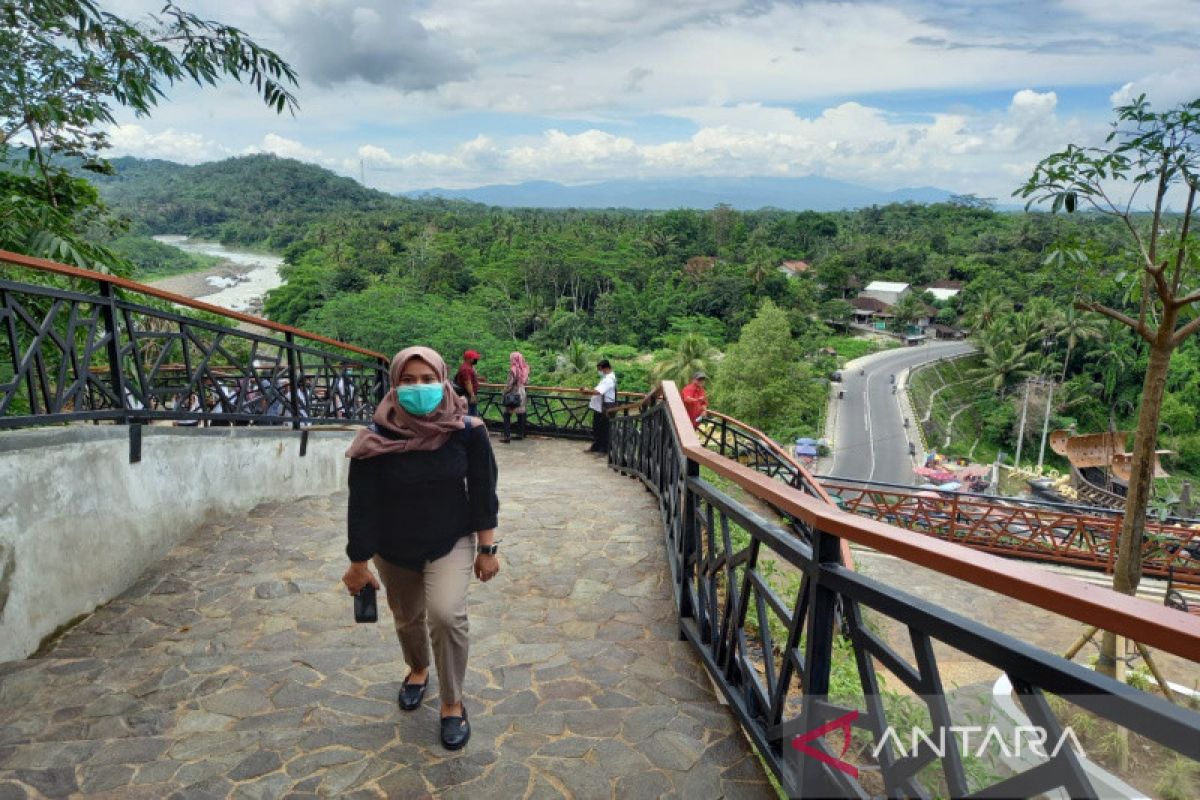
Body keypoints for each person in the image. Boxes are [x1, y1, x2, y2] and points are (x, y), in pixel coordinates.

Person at [341, 346, 500, 751]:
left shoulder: (468, 430)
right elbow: (362, 504)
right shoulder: (374, 439)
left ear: (444, 380)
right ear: (393, 385)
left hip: (450, 540)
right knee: (407, 617)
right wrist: (358, 562)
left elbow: (483, 492)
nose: (419, 388)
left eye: (427, 379)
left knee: (446, 616)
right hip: (394, 549)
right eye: (408, 381)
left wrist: (488, 548)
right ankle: (417, 669)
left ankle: (451, 702)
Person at [586, 359, 617, 454]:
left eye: (600, 369)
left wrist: (587, 391)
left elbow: (599, 391)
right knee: (598, 428)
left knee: (604, 429)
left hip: (605, 408)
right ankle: (597, 446)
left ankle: (604, 449)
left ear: (606, 368)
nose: (599, 372)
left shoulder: (609, 380)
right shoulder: (606, 378)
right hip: (600, 407)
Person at [500, 351, 529, 443]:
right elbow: (526, 382)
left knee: (507, 415)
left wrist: (504, 392)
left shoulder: (513, 369)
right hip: (522, 392)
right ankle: (520, 434)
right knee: (520, 414)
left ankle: (507, 436)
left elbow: (510, 384)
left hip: (513, 393)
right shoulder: (524, 369)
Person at [454, 349, 482, 416]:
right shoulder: (466, 369)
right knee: (471, 414)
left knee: (472, 413)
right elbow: (467, 382)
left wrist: (477, 379)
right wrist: (472, 395)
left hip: (468, 394)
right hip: (468, 395)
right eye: (474, 358)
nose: (476, 360)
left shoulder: (468, 367)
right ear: (469, 359)